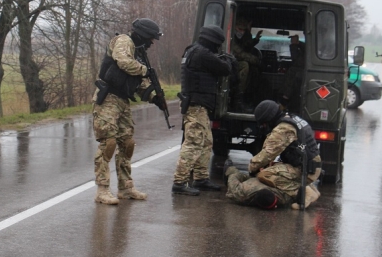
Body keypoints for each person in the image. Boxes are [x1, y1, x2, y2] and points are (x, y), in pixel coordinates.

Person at [92, 18, 165, 205]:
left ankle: (125, 187)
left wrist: (155, 99)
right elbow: (123, 62)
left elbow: (139, 83)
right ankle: (102, 190)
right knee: (108, 143)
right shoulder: (124, 41)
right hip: (108, 98)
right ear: (144, 35)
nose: (151, 43)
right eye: (151, 39)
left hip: (123, 101)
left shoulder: (139, 53)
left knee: (127, 144)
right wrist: (144, 70)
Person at [172, 25, 234, 196]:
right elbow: (225, 69)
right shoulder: (202, 54)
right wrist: (228, 59)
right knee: (193, 143)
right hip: (196, 105)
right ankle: (179, 182)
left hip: (197, 104)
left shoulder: (192, 50)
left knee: (206, 142)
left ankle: (200, 177)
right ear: (213, 41)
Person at [248, 100, 323, 209]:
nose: (263, 126)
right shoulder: (291, 118)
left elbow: (267, 154)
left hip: (306, 170)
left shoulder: (283, 128)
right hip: (307, 166)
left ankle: (303, 192)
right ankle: (310, 188)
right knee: (271, 167)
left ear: (269, 119)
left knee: (265, 175)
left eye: (264, 123)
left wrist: (252, 167)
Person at [225, 164, 320, 210]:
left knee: (232, 172)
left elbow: (233, 176)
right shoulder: (284, 197)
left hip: (255, 180)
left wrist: (231, 170)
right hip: (263, 178)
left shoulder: (242, 193)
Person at [230, 18, 263, 111]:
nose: (241, 32)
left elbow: (247, 45)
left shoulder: (241, 36)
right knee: (245, 65)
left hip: (235, 63)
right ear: (234, 27)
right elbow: (240, 53)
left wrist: (254, 38)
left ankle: (248, 98)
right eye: (239, 29)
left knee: (253, 71)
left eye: (244, 30)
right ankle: (238, 99)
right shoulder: (231, 37)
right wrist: (255, 60)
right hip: (231, 64)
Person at [279, 34, 306, 111]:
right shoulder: (300, 47)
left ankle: (284, 100)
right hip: (299, 71)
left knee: (293, 72)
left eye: (292, 39)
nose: (291, 41)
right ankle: (284, 100)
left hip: (302, 72)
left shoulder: (304, 48)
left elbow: (297, 61)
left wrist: (296, 44)